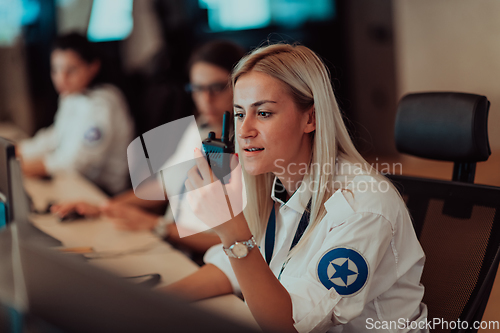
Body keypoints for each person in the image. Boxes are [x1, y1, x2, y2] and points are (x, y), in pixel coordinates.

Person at [162, 43, 428, 333]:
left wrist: (232, 232)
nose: (245, 130)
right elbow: (231, 270)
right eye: (239, 114)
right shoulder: (274, 184)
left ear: (310, 118)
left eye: (263, 113)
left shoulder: (363, 208)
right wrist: (155, 302)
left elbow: (286, 326)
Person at [51, 40, 246, 254]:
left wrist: (158, 226)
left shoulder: (247, 149)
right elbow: (163, 185)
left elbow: (239, 243)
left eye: (217, 87)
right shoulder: (201, 128)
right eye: (197, 88)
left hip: (203, 259)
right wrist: (103, 208)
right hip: (170, 247)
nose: (206, 99)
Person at [19, 33, 134, 196]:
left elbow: (77, 162)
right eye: (56, 70)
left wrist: (20, 167)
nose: (61, 78)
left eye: (71, 70)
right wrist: (20, 151)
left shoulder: (104, 104)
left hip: (102, 191)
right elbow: (56, 135)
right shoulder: (71, 95)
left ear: (93, 67)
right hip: (76, 181)